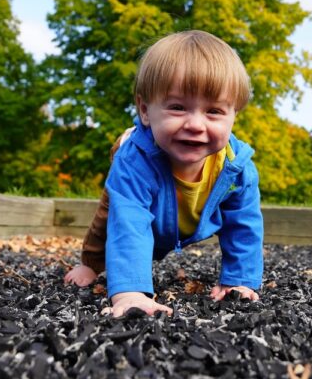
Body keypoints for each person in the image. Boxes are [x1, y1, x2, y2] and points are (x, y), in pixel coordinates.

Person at [64, 30, 264, 317]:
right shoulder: (134, 163)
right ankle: (90, 263)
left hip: (187, 211)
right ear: (145, 111)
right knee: (108, 218)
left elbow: (243, 225)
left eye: (214, 111)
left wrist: (239, 280)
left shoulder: (236, 168)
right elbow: (128, 225)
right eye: (178, 107)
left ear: (234, 116)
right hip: (138, 175)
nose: (196, 124)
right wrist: (131, 294)